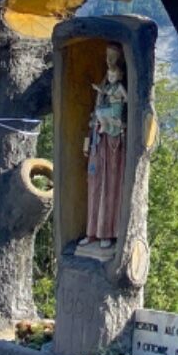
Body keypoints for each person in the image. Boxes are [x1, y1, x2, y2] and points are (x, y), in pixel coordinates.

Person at [81, 44, 127, 249]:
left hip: (112, 143)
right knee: (94, 187)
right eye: (107, 58)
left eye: (112, 58)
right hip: (97, 144)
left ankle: (107, 231)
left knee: (110, 185)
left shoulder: (118, 89)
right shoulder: (104, 88)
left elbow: (121, 112)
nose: (109, 62)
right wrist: (88, 141)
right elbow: (95, 116)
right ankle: (92, 231)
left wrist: (115, 125)